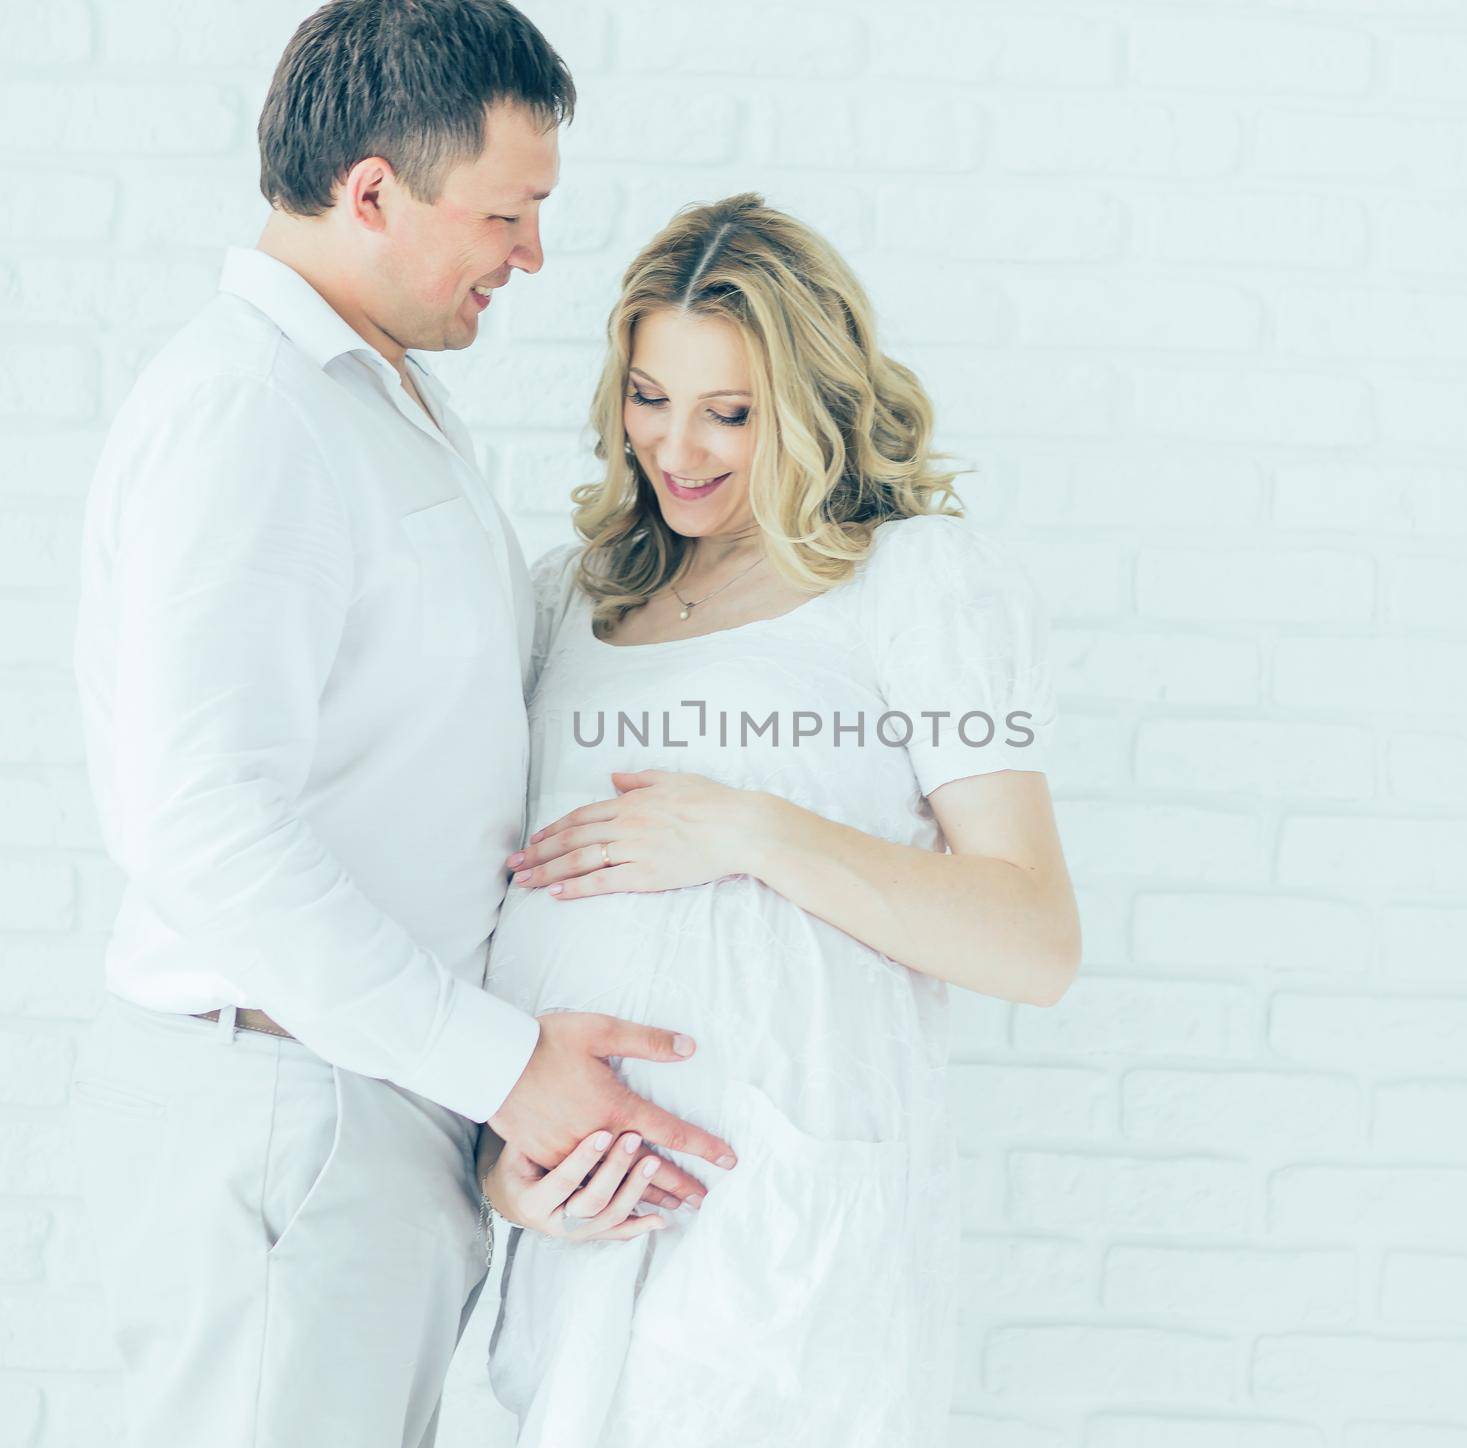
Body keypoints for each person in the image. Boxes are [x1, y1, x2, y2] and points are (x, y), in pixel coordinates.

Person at [68, 4, 736, 1445]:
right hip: (295, 1111)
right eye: (508, 212)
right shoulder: (254, 414)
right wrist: (505, 1067)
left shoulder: (370, 399)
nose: (532, 257)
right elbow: (202, 823)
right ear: (372, 190)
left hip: (365, 1105)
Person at [476, 194, 1081, 1447]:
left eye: (731, 413)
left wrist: (749, 830)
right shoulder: (564, 600)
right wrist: (506, 1158)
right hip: (585, 1229)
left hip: (788, 1238)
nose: (676, 446)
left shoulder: (911, 584)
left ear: (809, 400)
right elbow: (488, 902)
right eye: (648, 396)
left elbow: (1032, 937)